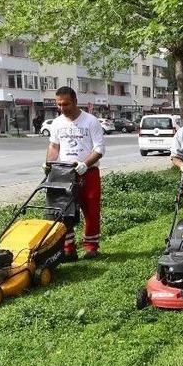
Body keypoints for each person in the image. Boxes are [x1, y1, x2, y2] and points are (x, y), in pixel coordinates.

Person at [45, 86, 105, 259]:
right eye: (59, 105)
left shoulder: (90, 121)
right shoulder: (57, 123)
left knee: (91, 210)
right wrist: (49, 164)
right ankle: (68, 248)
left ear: (75, 101)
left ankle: (91, 247)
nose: (62, 108)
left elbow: (99, 149)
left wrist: (85, 164)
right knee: (64, 210)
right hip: (64, 173)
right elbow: (54, 146)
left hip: (88, 172)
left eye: (66, 104)